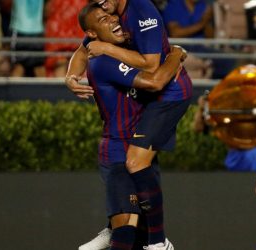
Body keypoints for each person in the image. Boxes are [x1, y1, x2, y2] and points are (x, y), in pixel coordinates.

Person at [66, 1, 193, 249]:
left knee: (133, 225)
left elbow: (149, 65)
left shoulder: (128, 26)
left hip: (134, 139)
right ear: (93, 35)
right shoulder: (104, 60)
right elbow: (155, 80)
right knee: (128, 226)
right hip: (118, 149)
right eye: (103, 19)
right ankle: (153, 242)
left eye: (110, 15)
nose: (112, 19)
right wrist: (176, 53)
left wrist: (100, 48)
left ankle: (116, 229)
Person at [9, 0, 46, 77]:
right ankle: (47, 89)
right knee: (38, 67)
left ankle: (13, 89)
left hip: (20, 30)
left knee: (19, 66)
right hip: (37, 30)